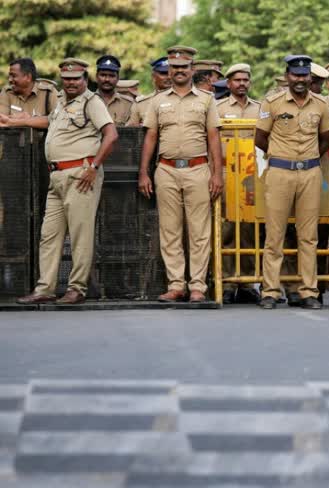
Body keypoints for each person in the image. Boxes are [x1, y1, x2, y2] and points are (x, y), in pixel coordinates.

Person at [4, 58, 118, 305]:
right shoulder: (63, 102)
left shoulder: (92, 101)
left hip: (81, 174)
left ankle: (77, 289)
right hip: (56, 177)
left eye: (76, 79)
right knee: (49, 235)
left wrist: (94, 166)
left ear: (84, 80)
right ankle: (45, 288)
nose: (71, 83)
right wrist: (19, 121)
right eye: (66, 79)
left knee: (80, 235)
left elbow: (111, 134)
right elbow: (49, 121)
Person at [138, 45, 224, 303]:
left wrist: (217, 174)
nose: (178, 72)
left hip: (198, 169)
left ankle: (197, 286)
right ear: (169, 69)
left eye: (183, 68)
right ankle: (176, 285)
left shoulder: (206, 100)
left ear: (191, 70)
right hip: (165, 169)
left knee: (199, 231)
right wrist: (144, 172)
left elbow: (213, 138)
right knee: (170, 231)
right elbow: (151, 136)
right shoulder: (158, 100)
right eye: (173, 68)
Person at [254, 55, 329, 310]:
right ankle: (270, 291)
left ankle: (309, 291)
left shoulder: (320, 104)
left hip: (310, 173)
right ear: (288, 76)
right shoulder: (273, 102)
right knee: (274, 235)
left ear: (311, 77)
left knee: (308, 237)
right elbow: (260, 138)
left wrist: (306, 160)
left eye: (304, 75)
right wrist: (282, 156)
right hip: (279, 172)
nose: (300, 80)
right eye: (296, 75)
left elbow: (325, 139)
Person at [216, 63, 262, 305]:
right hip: (225, 172)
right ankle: (227, 282)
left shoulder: (260, 109)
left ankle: (247, 283)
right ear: (229, 83)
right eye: (237, 80)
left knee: (249, 230)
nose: (242, 84)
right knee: (226, 230)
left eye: (245, 80)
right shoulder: (218, 108)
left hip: (251, 175)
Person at [127, 57, 171, 127]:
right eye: (164, 73)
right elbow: (132, 131)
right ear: (153, 77)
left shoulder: (183, 100)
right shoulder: (141, 104)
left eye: (171, 73)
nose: (169, 77)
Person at [94, 55, 133, 126]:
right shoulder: (87, 101)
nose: (107, 79)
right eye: (103, 75)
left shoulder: (129, 104)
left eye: (111, 76)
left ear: (118, 78)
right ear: (96, 77)